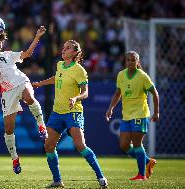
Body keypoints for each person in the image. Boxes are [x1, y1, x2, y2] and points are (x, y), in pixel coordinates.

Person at [32, 40, 108, 188]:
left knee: (80, 145)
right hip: (57, 112)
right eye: (64, 47)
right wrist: (40, 83)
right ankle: (57, 181)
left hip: (73, 112)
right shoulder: (60, 65)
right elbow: (57, 79)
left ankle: (101, 177)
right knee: (48, 145)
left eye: (68, 48)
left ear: (75, 53)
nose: (64, 50)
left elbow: (85, 93)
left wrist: (76, 98)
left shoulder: (79, 70)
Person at [0, 25, 48, 174]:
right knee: (9, 129)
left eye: (0, 43)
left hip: (21, 81)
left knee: (29, 97)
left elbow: (28, 54)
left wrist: (37, 37)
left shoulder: (8, 54)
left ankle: (41, 126)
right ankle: (15, 158)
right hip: (7, 93)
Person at [105, 51, 159, 180]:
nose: (130, 62)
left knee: (136, 144)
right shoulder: (121, 75)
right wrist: (110, 108)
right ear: (125, 61)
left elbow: (154, 93)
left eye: (133, 60)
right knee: (123, 145)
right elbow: (118, 93)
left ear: (137, 62)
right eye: (128, 60)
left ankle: (141, 174)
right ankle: (147, 161)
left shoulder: (142, 76)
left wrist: (156, 111)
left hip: (140, 114)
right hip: (127, 115)